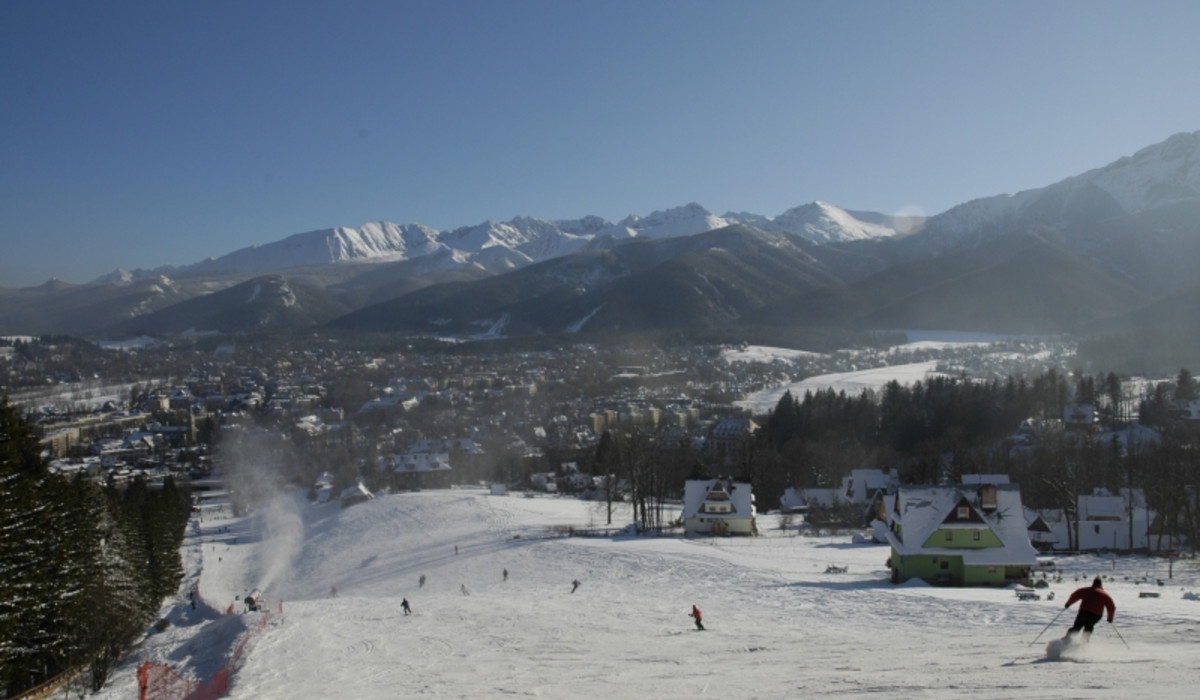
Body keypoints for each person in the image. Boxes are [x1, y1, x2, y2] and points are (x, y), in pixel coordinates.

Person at [1064, 576, 1115, 641]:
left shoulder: (1086, 590)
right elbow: (1111, 607)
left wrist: (1068, 603)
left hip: (1084, 612)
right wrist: (1110, 618)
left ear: (1093, 583)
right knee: (1088, 627)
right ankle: (1084, 644)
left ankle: (1066, 641)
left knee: (1077, 627)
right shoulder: (1104, 594)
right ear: (1101, 584)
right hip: (1095, 615)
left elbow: (1075, 595)